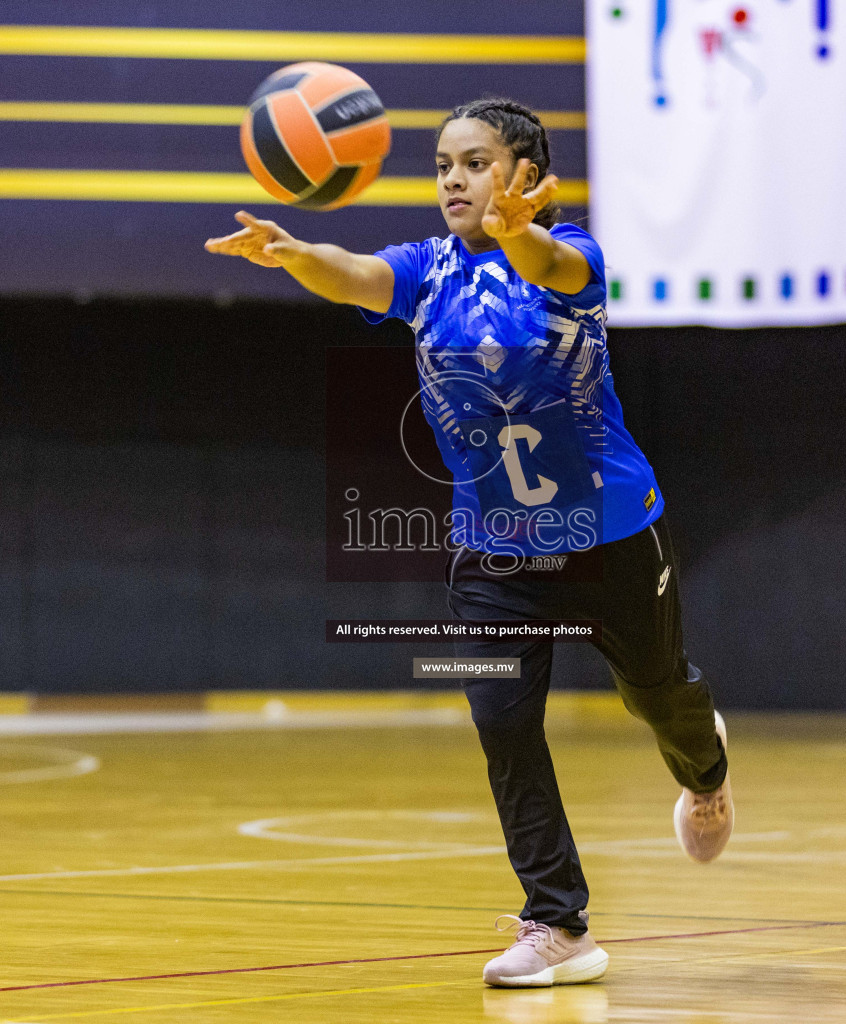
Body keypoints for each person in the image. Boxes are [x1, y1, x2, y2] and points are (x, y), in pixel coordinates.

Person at [206, 97, 732, 988]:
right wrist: (298, 256)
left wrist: (519, 231)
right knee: (501, 720)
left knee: (656, 693)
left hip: (611, 531)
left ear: (525, 176)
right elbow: (358, 273)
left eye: (475, 161)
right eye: (444, 162)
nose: (453, 176)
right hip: (493, 550)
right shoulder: (428, 269)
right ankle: (557, 923)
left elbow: (551, 261)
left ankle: (705, 769)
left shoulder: (573, 257)